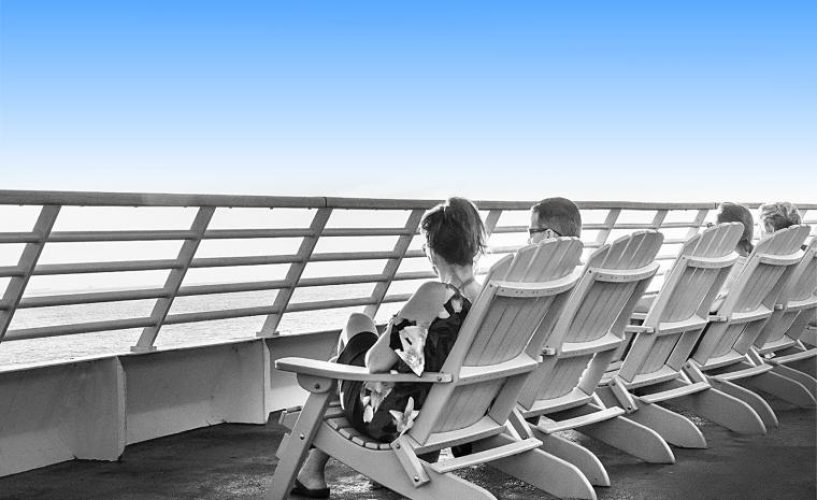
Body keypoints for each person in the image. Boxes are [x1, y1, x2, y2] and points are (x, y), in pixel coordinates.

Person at [291, 197, 486, 498]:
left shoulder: (434, 294)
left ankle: (312, 472)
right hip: (455, 409)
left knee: (354, 327)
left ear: (431, 250)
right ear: (474, 246)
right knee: (346, 360)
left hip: (395, 419)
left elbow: (375, 363)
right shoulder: (485, 296)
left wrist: (396, 325)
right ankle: (312, 472)